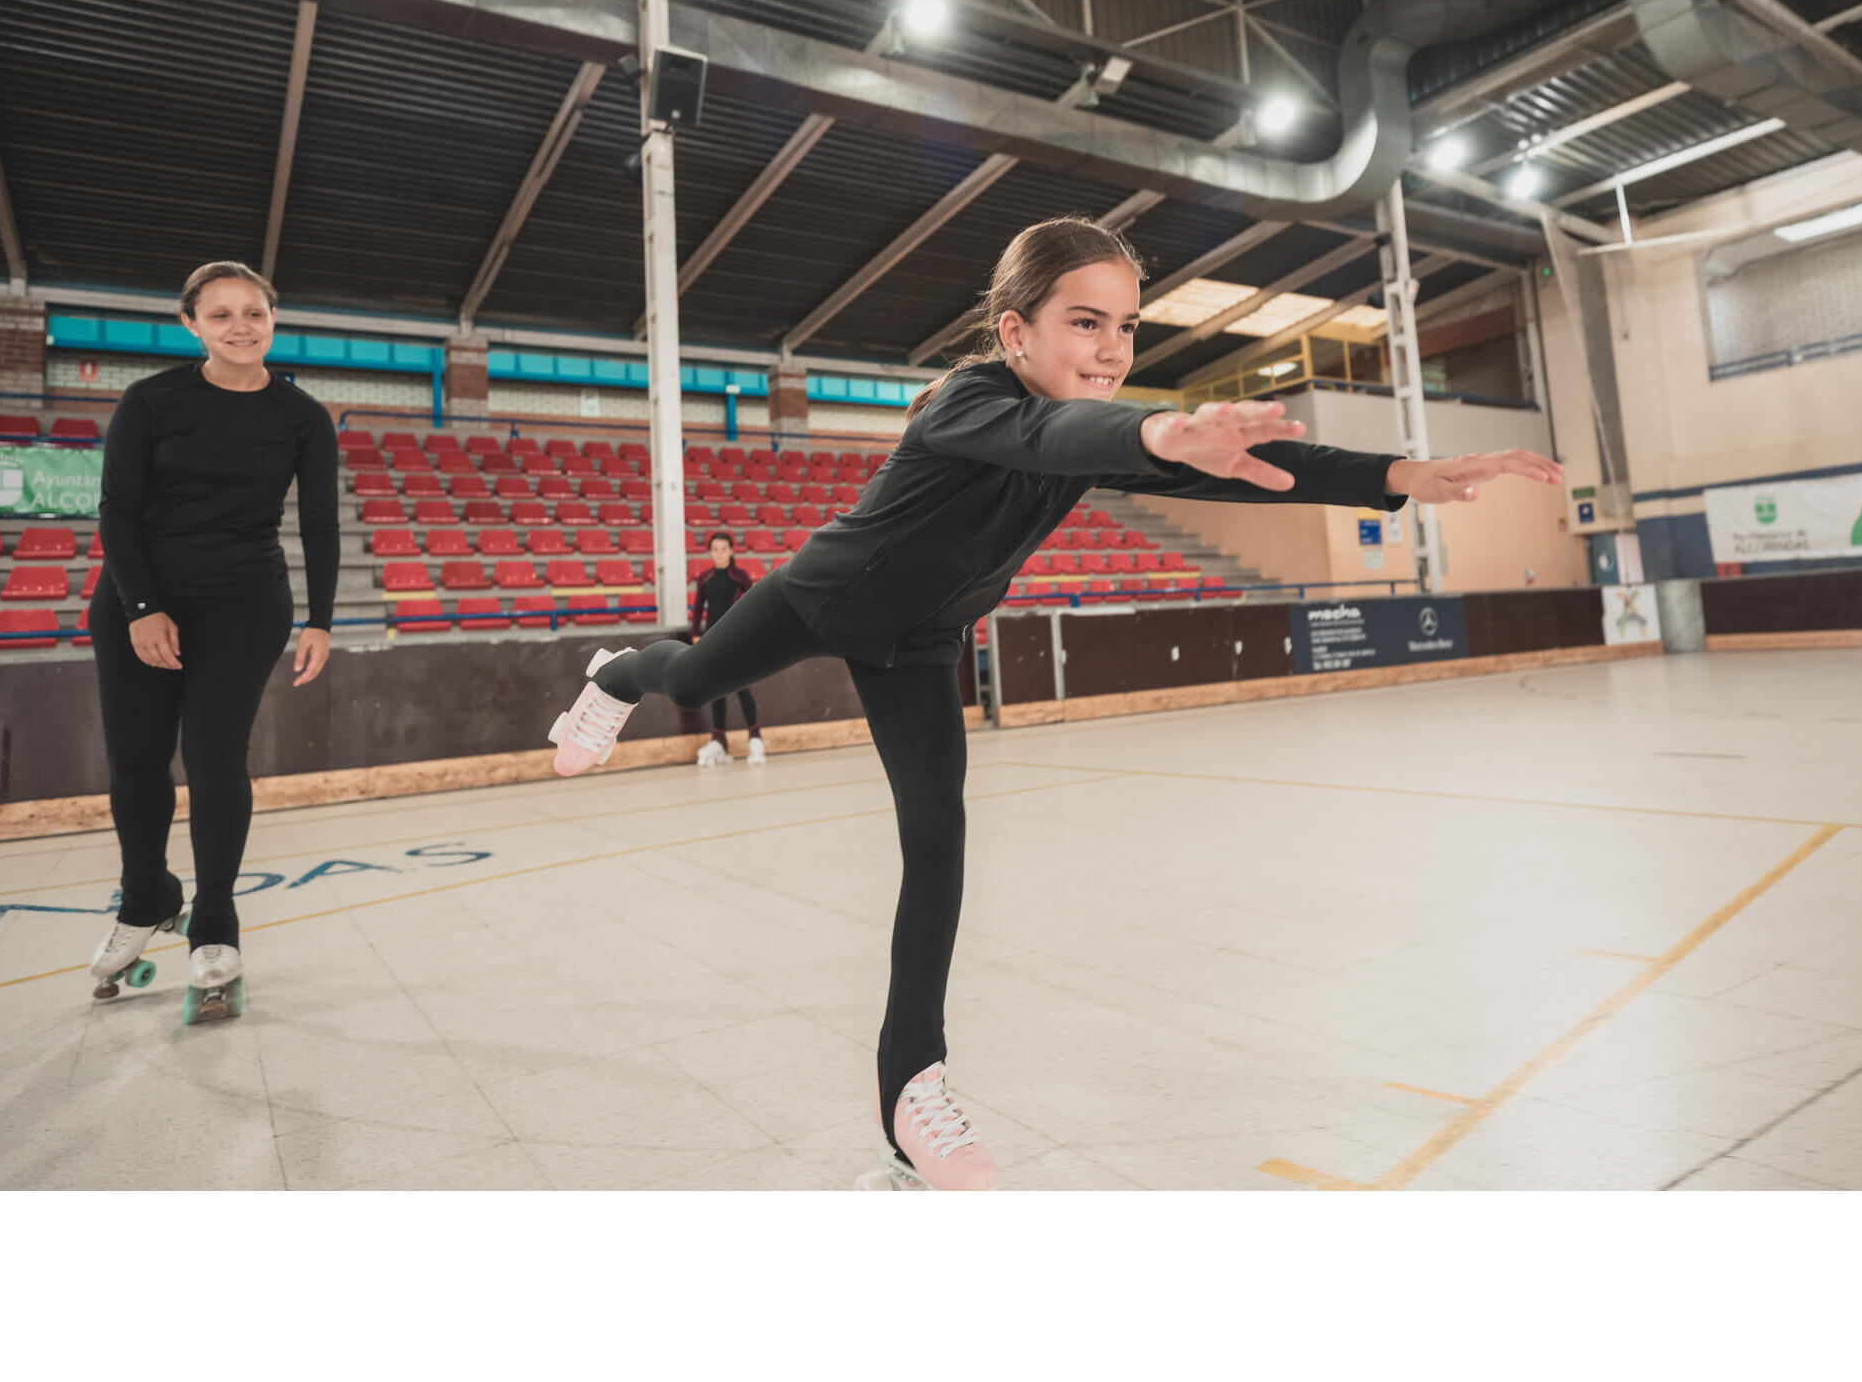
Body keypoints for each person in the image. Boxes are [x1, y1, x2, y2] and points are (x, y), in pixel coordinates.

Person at [546, 217, 1560, 1188]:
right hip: (821, 596)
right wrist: (1160, 427)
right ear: (1013, 330)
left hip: (922, 643)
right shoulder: (965, 404)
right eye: (1086, 320)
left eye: (1126, 326)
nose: (1112, 346)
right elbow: (1062, 433)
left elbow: (1250, 471)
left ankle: (911, 1087)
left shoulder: (1088, 421)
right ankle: (607, 676)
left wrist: (1398, 471)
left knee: (936, 839)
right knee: (683, 678)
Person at [85, 261, 338, 1018]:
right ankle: (145, 897)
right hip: (140, 598)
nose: (240, 327)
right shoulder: (152, 401)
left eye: (254, 313)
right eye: (221, 314)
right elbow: (116, 512)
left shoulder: (303, 418)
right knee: (135, 760)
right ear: (190, 323)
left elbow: (318, 525)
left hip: (244, 599)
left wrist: (322, 617)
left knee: (214, 755)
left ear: (271, 320)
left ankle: (216, 922)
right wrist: (140, 606)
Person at [689, 530, 765, 767]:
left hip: (734, 640)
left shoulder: (739, 577)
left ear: (731, 551)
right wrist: (695, 636)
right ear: (710, 552)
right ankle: (719, 741)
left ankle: (755, 738)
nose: (719, 554)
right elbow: (699, 609)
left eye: (724, 549)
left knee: (741, 688)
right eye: (715, 549)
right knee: (716, 691)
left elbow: (753, 606)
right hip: (711, 642)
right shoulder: (705, 578)